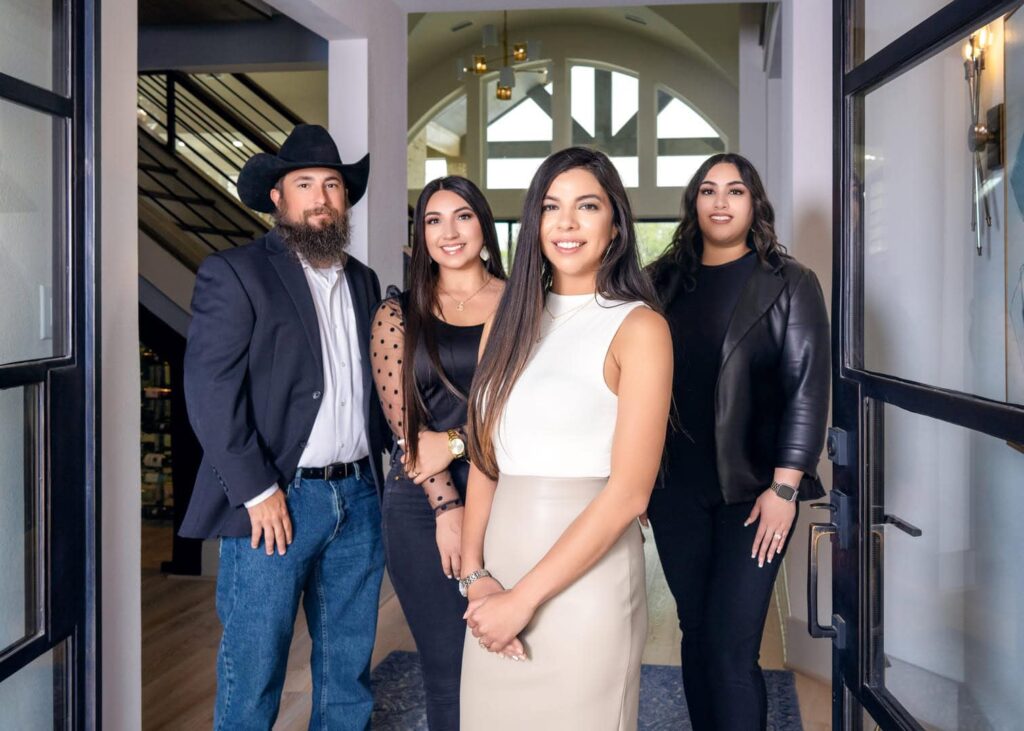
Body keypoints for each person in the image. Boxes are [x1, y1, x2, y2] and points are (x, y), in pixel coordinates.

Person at [178, 124, 389, 731]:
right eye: (305, 184)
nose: (321, 196)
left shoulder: (364, 281)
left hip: (359, 497)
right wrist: (258, 491)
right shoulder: (236, 273)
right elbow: (210, 392)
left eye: (332, 184)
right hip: (276, 503)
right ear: (278, 197)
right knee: (255, 670)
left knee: (347, 675)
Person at [458, 147, 673, 730]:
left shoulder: (640, 328)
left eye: (587, 206)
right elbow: (484, 459)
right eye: (551, 207)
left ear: (616, 226)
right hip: (496, 573)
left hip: (588, 585)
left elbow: (629, 494)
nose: (567, 222)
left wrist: (522, 601)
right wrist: (476, 577)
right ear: (534, 223)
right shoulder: (503, 325)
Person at [645, 153, 830, 731]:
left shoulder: (790, 282)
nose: (720, 202)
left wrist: (786, 487)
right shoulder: (660, 282)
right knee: (695, 634)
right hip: (674, 492)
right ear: (693, 204)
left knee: (731, 649)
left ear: (755, 204)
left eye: (735, 190)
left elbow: (807, 390)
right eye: (708, 190)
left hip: (756, 496)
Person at [371, 176, 506, 729]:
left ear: (484, 225)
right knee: (449, 669)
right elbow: (408, 432)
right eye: (433, 220)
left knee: (514, 660)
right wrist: (448, 510)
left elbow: (532, 414)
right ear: (420, 233)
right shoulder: (397, 314)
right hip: (420, 508)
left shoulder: (526, 302)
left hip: (512, 494)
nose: (449, 232)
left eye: (463, 217)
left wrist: (453, 441)